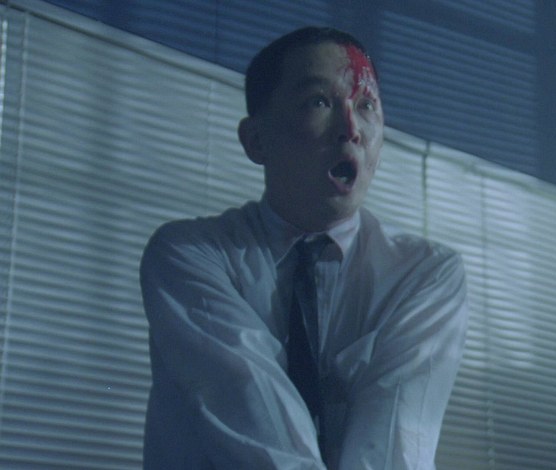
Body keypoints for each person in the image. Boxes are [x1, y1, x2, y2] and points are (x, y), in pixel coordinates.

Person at [140, 26, 468, 469]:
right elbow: (254, 415)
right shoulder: (189, 253)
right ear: (256, 140)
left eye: (366, 105)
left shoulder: (423, 272)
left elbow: (393, 446)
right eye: (319, 102)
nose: (351, 129)